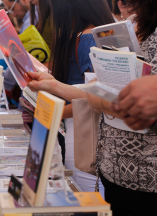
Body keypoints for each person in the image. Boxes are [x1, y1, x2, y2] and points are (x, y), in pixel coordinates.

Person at [28, 0, 157, 214]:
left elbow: (109, 99)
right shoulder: (131, 25)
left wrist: (101, 98)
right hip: (113, 171)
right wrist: (53, 85)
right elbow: (97, 93)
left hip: (147, 177)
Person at [28, 0, 114, 196]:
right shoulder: (91, 34)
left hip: (84, 136)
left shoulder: (86, 38)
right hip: (83, 134)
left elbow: (94, 99)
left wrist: (52, 112)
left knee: (84, 194)